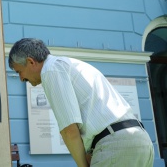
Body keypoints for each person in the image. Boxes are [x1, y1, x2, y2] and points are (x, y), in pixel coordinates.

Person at [8, 38, 154, 167]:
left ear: (30, 62)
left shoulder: (51, 71)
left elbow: (69, 130)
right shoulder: (70, 64)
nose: (21, 79)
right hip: (141, 141)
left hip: (116, 146)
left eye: (19, 71)